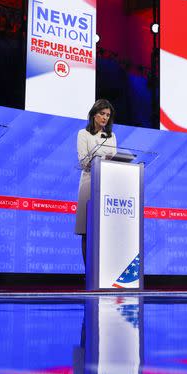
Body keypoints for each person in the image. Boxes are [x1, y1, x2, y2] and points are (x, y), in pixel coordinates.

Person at [75, 99, 117, 263]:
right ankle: (89, 272)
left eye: (108, 115)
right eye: (102, 114)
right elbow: (83, 162)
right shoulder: (83, 134)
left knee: (105, 230)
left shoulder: (111, 136)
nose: (105, 118)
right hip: (89, 182)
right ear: (94, 114)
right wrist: (97, 158)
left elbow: (115, 158)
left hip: (107, 184)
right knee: (87, 229)